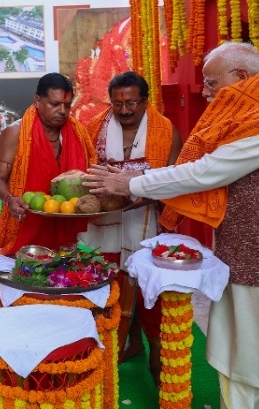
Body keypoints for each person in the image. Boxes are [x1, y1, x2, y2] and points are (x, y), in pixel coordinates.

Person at [85, 42, 259, 409]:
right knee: (248, 356)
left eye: (211, 82)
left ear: (241, 76)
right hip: (250, 255)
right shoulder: (252, 118)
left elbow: (207, 171)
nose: (205, 92)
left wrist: (131, 182)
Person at [81, 71, 181, 376]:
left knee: (144, 288)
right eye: (117, 103)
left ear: (145, 101)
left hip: (146, 220)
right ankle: (127, 342)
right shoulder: (94, 127)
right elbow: (82, 168)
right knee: (109, 282)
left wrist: (139, 192)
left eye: (132, 103)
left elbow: (176, 178)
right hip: (104, 223)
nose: (124, 110)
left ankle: (153, 347)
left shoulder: (166, 130)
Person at [0, 72, 97, 255]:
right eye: (55, 104)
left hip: (68, 234)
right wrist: (9, 199)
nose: (62, 111)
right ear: (38, 101)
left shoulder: (79, 133)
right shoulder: (15, 133)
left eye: (67, 105)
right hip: (25, 228)